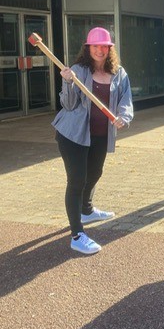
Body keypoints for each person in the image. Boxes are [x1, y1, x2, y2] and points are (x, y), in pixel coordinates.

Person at [53, 27, 133, 255]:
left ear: (110, 49)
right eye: (95, 46)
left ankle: (86, 210)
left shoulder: (119, 72)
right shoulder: (77, 71)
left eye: (104, 46)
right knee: (77, 179)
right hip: (73, 135)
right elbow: (67, 105)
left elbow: (126, 99)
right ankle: (77, 235)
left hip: (100, 134)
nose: (100, 50)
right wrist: (68, 83)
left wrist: (124, 117)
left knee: (95, 172)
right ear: (88, 48)